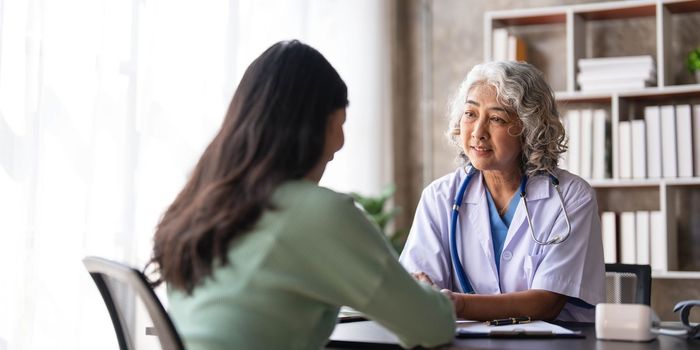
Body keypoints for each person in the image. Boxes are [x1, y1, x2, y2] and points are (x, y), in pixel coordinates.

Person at [148, 40, 455, 350]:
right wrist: (432, 299)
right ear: (316, 126)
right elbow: (431, 328)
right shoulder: (320, 213)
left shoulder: (201, 204)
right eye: (341, 124)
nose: (340, 145)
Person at [399, 61, 605, 322]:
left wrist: (457, 304)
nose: (478, 132)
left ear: (529, 129)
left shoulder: (571, 197)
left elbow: (546, 303)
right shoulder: (439, 197)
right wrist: (423, 293)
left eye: (496, 118)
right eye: (470, 114)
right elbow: (418, 287)